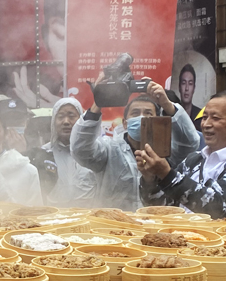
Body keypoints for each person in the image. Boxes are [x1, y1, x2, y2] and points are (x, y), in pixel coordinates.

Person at [70, 78, 200, 212]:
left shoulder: (165, 151)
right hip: (114, 226)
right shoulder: (108, 150)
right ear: (125, 123)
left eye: (148, 113)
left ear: (158, 120)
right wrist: (99, 102)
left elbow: (190, 143)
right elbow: (80, 149)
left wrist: (166, 103)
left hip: (156, 225)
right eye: (135, 113)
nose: (141, 117)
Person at [138, 91, 226, 219]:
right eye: (204, 117)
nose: (206, 124)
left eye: (215, 118)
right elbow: (162, 208)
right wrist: (150, 178)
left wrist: (167, 174)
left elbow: (217, 205)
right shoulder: (194, 160)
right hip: (187, 238)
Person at [38, 97, 97, 206]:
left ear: (81, 120)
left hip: (88, 219)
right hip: (54, 219)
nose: (66, 122)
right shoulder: (43, 154)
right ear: (53, 122)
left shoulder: (94, 153)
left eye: (71, 116)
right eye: (60, 117)